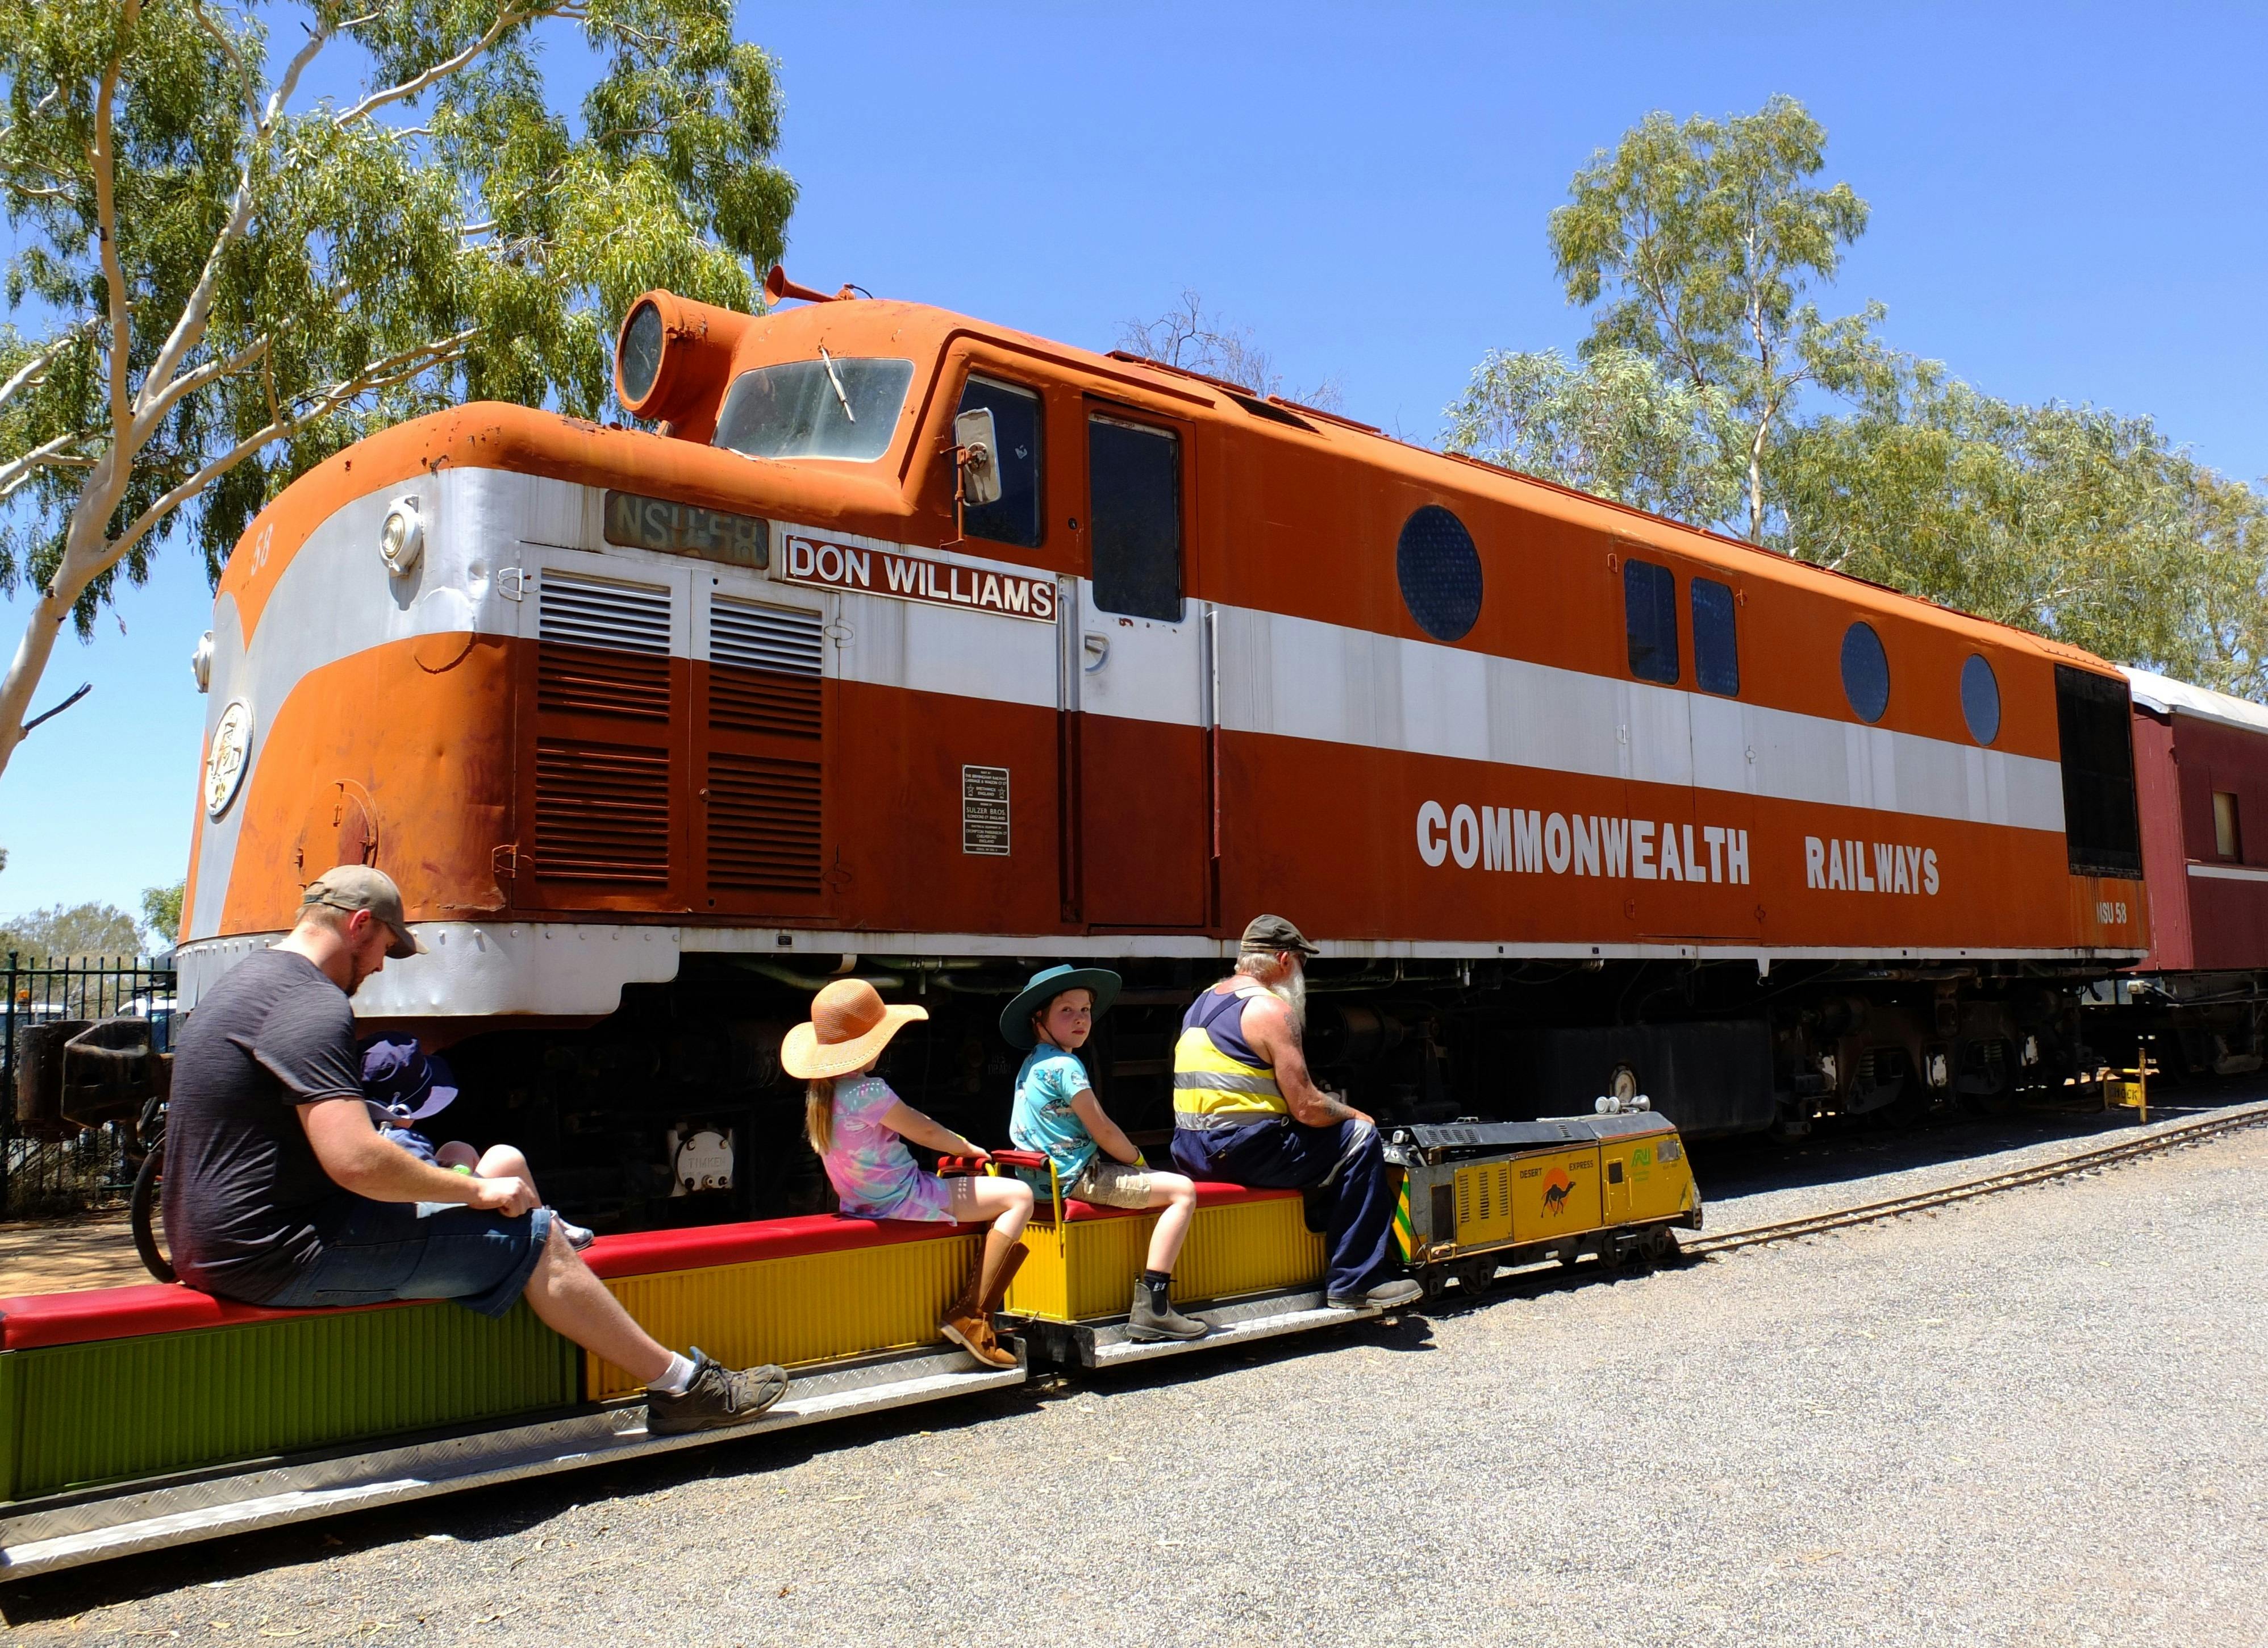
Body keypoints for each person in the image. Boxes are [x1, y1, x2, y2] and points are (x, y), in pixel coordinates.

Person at [161, 865, 786, 1435]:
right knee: (535, 1235)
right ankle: (685, 1387)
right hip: (276, 1251)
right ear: (358, 925)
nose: (381, 965)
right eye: (384, 947)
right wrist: (475, 1189)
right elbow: (356, 1160)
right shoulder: (310, 1001)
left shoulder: (240, 985)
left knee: (504, 1206)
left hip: (210, 1243)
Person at [1169, 915, 1424, 1311]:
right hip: (1240, 1152)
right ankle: (1356, 1280)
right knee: (1359, 1137)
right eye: (1302, 963)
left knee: (1316, 1141)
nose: (1301, 974)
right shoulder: (1270, 1009)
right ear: (1285, 960)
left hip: (1190, 1151)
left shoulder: (1204, 1001)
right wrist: (1357, 1114)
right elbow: (1307, 1107)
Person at [786, 978, 1034, 1370]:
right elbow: (926, 1131)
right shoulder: (869, 1092)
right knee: (1018, 1198)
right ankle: (974, 1315)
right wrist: (966, 1148)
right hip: (907, 1198)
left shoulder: (822, 1095)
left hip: (861, 1204)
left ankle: (976, 1314)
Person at [1002, 965, 1208, 1342]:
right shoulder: (1067, 1067)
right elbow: (1103, 1130)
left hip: (1042, 1179)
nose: (1081, 1019)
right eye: (1067, 1011)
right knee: (1183, 1192)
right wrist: (1137, 1161)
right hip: (1076, 1178)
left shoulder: (1034, 1063)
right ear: (1039, 1019)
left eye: (1085, 1010)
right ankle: (1155, 1308)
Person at [358, 1035, 594, 1250]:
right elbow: (430, 1192)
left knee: (457, 1148)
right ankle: (548, 1235)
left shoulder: (368, 1134)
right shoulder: (398, 1140)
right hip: (428, 1232)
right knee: (505, 1157)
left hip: (402, 1217)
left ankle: (542, 1222)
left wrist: (446, 1167)